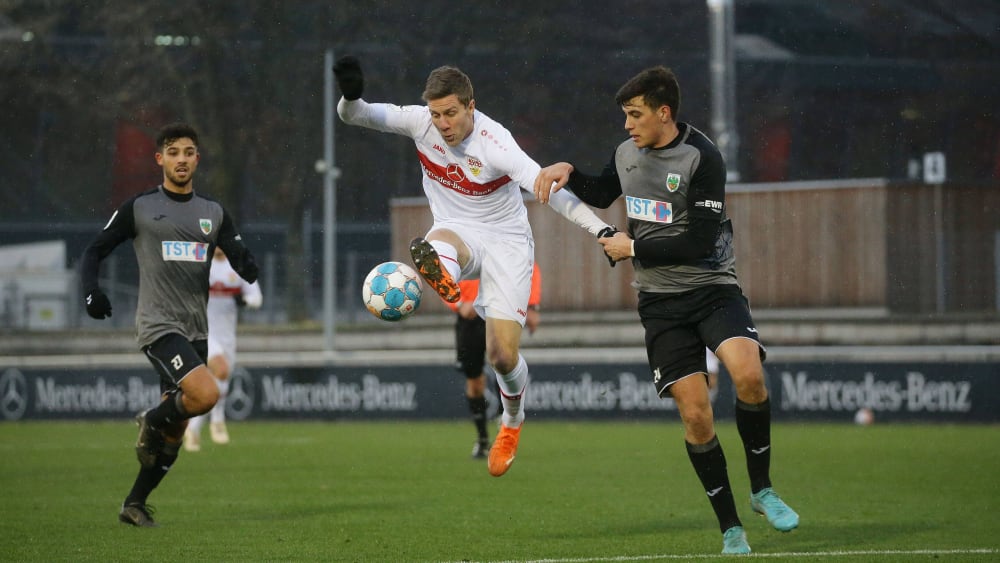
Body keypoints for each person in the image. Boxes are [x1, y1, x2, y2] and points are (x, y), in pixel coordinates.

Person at [533, 66, 798, 554]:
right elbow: (600, 192)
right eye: (625, 116)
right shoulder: (626, 153)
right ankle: (731, 528)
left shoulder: (704, 158)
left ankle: (762, 489)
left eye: (635, 115)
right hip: (660, 304)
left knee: (748, 375)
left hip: (713, 286)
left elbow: (698, 241)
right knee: (696, 416)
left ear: (664, 112)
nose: (627, 125)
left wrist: (631, 248)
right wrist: (567, 170)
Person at [334, 55, 613, 477]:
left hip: (507, 243)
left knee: (500, 356)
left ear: (470, 106)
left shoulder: (496, 144)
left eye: (450, 113)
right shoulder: (418, 122)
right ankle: (439, 269)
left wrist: (602, 231)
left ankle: (512, 421)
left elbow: (551, 191)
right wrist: (350, 94)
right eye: (435, 114)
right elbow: (355, 115)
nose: (442, 124)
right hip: (455, 229)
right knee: (435, 241)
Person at [80, 122, 259, 527]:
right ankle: (151, 417)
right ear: (160, 158)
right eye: (173, 152)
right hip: (158, 326)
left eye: (189, 152)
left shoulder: (212, 213)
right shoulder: (140, 208)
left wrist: (247, 265)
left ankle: (135, 503)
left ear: (197, 158)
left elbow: (236, 250)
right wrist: (92, 292)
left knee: (177, 429)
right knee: (207, 393)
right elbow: (94, 250)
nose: (181, 159)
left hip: (196, 330)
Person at [448, 263, 541, 459]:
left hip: (498, 312)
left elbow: (528, 266)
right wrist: (457, 304)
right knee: (474, 382)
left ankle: (504, 428)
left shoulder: (503, 239)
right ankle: (482, 439)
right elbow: (442, 272)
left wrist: (532, 306)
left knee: (504, 365)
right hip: (470, 322)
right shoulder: (463, 240)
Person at [184, 247, 263, 452]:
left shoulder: (238, 266)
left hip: (228, 336)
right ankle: (217, 420)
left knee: (219, 380)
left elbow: (257, 298)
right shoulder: (202, 265)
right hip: (203, 332)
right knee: (221, 369)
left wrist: (244, 300)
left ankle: (193, 428)